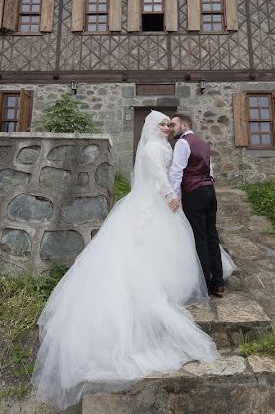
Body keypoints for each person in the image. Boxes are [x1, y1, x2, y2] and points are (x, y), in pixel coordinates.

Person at [31, 111, 234, 410]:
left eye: (168, 124)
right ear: (152, 128)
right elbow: (159, 177)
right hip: (154, 202)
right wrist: (169, 195)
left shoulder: (169, 146)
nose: (166, 128)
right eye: (162, 124)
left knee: (183, 242)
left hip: (171, 201)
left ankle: (178, 279)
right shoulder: (153, 149)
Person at [167, 113, 225, 297]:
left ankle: (205, 284)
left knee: (199, 238)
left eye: (173, 125)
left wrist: (175, 197)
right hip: (209, 191)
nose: (170, 128)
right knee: (212, 237)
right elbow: (210, 170)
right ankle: (218, 283)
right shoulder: (203, 143)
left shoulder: (183, 143)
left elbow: (176, 172)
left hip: (194, 193)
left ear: (184, 125)